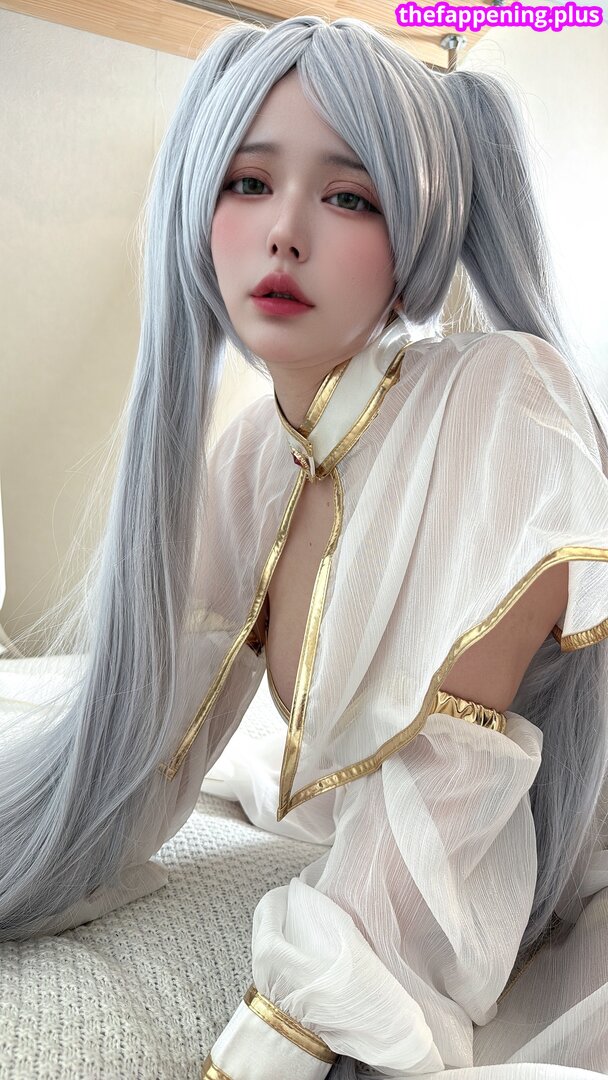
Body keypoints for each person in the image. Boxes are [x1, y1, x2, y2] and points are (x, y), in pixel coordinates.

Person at [1, 14, 608, 1078]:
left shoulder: (502, 400)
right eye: (247, 182)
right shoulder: (246, 460)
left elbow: (447, 795)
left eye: (348, 197)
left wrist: (273, 1045)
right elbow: (153, 741)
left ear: (415, 243)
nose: (284, 232)